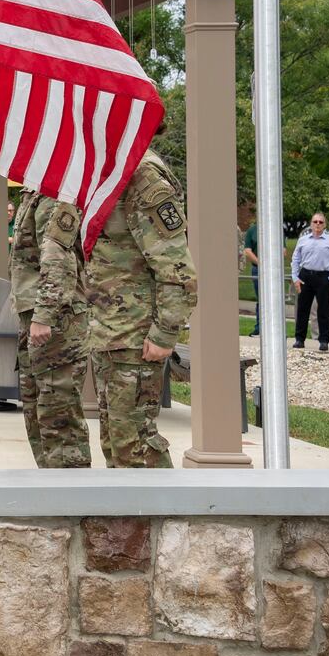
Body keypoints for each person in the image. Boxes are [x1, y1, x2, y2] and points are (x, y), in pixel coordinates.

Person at [84, 147, 196, 469]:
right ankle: (128, 518)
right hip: (109, 331)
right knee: (116, 441)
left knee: (136, 446)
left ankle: (162, 517)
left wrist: (165, 334)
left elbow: (177, 268)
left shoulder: (142, 174)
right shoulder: (110, 169)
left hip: (135, 335)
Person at [9, 187, 91, 468]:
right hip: (34, 317)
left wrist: (44, 315)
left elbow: (58, 259)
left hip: (56, 322)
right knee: (38, 415)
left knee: (60, 420)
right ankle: (53, 492)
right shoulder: (34, 194)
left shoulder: (58, 194)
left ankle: (72, 503)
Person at [291, 213, 329, 351]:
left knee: (324, 310)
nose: (318, 224)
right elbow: (295, 259)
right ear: (311, 223)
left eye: (320, 222)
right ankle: (299, 339)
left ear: (324, 224)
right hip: (305, 275)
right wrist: (295, 277)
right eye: (315, 221)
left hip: (323, 277)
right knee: (302, 309)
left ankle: (324, 340)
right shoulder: (303, 240)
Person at [241, 207, 262, 328]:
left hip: (273, 270)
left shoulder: (277, 229)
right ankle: (259, 326)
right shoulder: (252, 231)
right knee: (261, 298)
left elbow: (283, 251)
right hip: (257, 269)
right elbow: (247, 251)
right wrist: (261, 263)